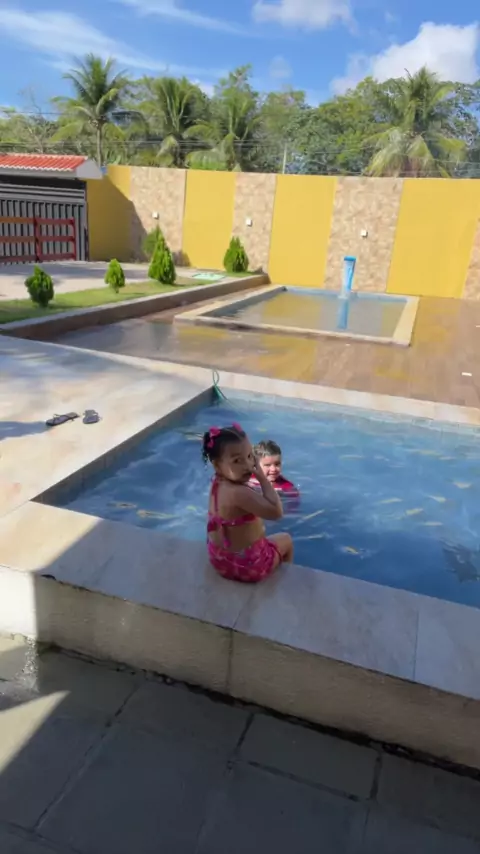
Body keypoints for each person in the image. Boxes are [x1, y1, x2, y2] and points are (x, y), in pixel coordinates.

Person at [202, 423, 293, 582]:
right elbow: (277, 512)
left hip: (219, 561)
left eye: (250, 456)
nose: (248, 465)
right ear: (217, 465)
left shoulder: (217, 484)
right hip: (247, 568)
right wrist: (262, 478)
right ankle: (285, 583)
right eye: (237, 460)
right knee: (286, 539)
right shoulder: (239, 493)